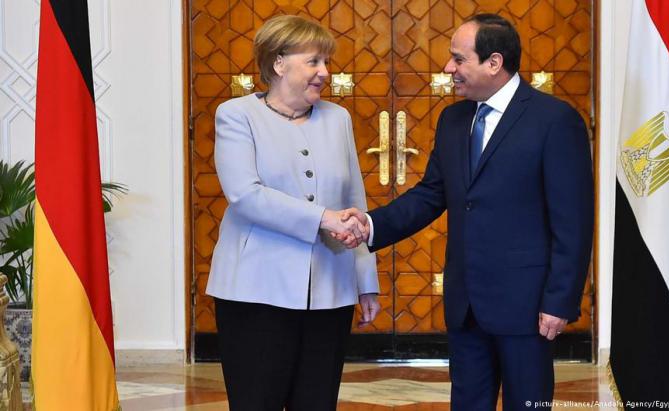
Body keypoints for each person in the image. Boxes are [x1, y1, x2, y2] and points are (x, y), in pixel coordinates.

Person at [336, 13, 593, 410]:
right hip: (466, 304)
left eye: (458, 59)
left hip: (528, 307)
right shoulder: (453, 119)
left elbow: (572, 223)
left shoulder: (554, 121)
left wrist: (559, 301)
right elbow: (430, 195)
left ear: (493, 62)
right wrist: (370, 224)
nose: (448, 68)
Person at [205, 15, 380, 411]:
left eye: (326, 63)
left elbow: (355, 198)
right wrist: (322, 218)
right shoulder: (236, 115)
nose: (325, 72)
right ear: (278, 63)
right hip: (255, 291)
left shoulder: (338, 118)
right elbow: (245, 194)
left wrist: (365, 279)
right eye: (314, 61)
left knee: (317, 402)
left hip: (330, 290)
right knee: (257, 401)